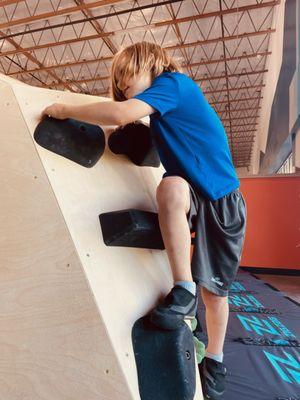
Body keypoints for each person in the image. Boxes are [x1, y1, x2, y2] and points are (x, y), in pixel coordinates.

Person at [41, 41, 247, 399]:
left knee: (215, 292)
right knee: (169, 189)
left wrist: (64, 109)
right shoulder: (160, 110)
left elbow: (120, 114)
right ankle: (183, 290)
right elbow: (133, 126)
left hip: (220, 198)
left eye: (126, 76)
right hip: (190, 190)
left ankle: (215, 358)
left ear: (150, 64)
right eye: (117, 82)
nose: (121, 86)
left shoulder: (175, 85)